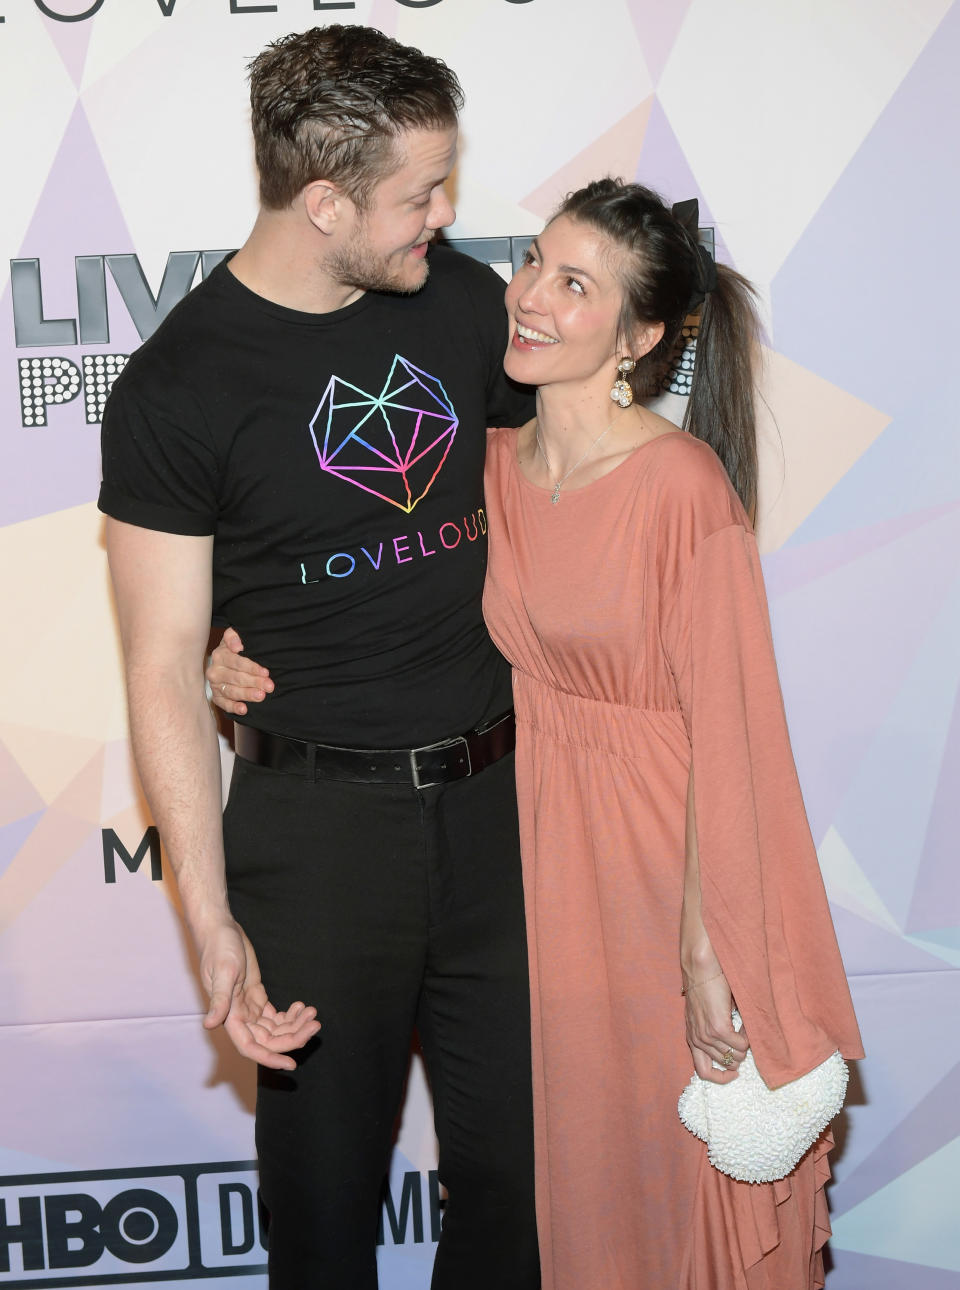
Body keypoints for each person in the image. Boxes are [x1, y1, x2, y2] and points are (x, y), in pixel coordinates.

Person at [213, 179, 864, 1288]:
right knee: (564, 1175)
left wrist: (709, 946)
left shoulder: (681, 487)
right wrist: (219, 654)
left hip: (666, 865)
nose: (530, 299)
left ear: (640, 335)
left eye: (577, 285)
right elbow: (348, 587)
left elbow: (734, 730)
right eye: (533, 265)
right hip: (533, 869)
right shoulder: (483, 469)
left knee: (667, 1168)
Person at [98, 25, 539, 1290]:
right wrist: (211, 918)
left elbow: (571, 482)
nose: (447, 217)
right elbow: (162, 662)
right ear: (325, 198)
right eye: (421, 194)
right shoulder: (178, 388)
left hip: (506, 811)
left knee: (520, 1192)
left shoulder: (456, 301)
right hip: (318, 832)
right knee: (326, 1206)